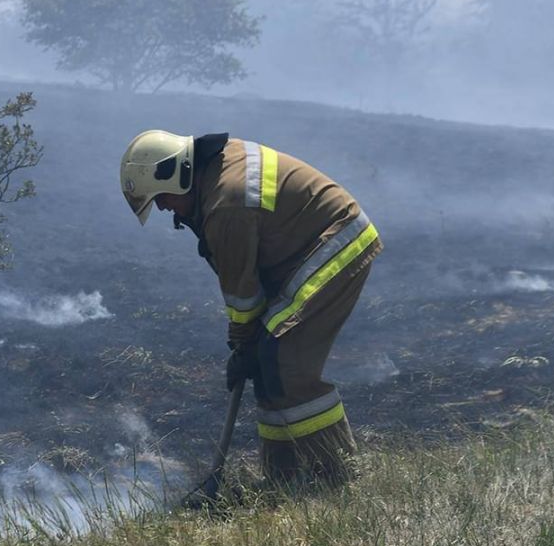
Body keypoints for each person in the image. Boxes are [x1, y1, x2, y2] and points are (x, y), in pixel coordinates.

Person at [120, 130, 382, 487]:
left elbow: (243, 296)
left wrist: (244, 346)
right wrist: (250, 351)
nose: (164, 208)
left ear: (178, 175)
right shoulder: (213, 174)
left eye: (162, 198)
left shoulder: (227, 207)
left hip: (336, 244)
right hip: (300, 251)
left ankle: (335, 477)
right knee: (268, 363)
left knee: (285, 363)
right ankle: (281, 479)